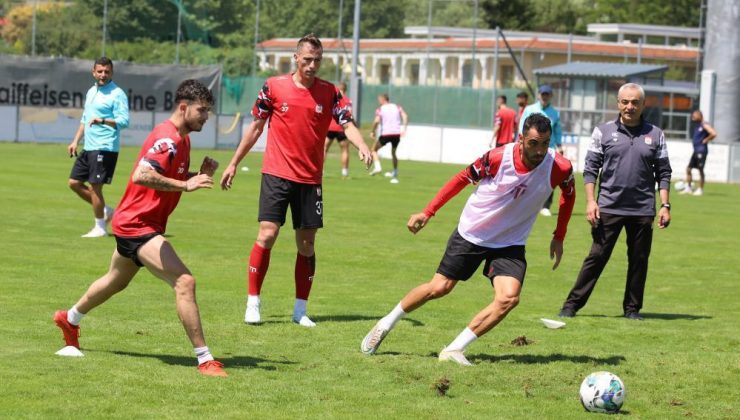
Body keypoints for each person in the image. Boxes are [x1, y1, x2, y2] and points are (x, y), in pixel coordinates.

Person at [361, 114, 575, 365]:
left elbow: (568, 195)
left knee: (508, 298)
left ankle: (454, 349)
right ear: (520, 140)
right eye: (534, 143)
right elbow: (462, 178)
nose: (540, 151)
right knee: (439, 288)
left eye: (545, 144)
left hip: (510, 242)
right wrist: (428, 212)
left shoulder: (560, 167)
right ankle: (386, 323)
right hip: (473, 233)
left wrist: (559, 235)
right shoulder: (497, 158)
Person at [53, 79, 227, 377]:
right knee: (185, 282)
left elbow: (167, 174)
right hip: (138, 225)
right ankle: (205, 359)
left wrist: (198, 174)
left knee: (115, 281)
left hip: (137, 222)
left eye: (208, 111)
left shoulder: (182, 139)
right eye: (202, 110)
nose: (206, 117)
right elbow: (142, 174)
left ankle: (69, 318)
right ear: (184, 107)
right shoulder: (168, 139)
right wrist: (186, 184)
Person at [220, 34, 373, 328]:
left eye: (317, 60)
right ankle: (253, 302)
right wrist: (234, 163)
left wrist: (362, 146)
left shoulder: (331, 92)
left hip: (310, 180)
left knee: (307, 244)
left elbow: (347, 124)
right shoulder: (274, 87)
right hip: (276, 174)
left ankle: (300, 310)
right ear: (296, 57)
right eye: (307, 60)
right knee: (267, 235)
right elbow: (255, 128)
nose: (312, 65)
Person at [558, 83, 672, 321]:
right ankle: (571, 305)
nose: (630, 106)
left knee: (639, 260)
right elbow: (590, 170)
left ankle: (632, 309)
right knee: (596, 257)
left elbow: (664, 172)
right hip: (608, 206)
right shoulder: (603, 132)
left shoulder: (656, 134)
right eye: (625, 101)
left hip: (642, 209)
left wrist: (664, 205)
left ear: (643, 104)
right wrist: (591, 201)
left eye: (635, 102)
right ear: (618, 103)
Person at [67, 57, 130, 238]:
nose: (103, 75)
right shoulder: (91, 91)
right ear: (93, 72)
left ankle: (100, 228)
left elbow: (124, 121)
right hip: (89, 147)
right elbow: (85, 120)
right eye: (100, 71)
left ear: (112, 72)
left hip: (105, 147)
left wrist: (103, 121)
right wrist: (75, 141)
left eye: (107, 72)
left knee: (95, 188)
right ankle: (107, 210)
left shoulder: (117, 94)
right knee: (74, 183)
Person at [519, 84, 562, 217]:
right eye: (543, 94)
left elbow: (557, 131)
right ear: (538, 95)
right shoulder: (529, 109)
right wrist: (520, 143)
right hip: (530, 148)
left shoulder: (555, 113)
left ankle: (546, 206)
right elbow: (522, 128)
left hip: (548, 148)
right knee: (526, 175)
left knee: (548, 176)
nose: (545, 97)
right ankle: (523, 202)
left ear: (551, 96)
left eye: (547, 94)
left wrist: (559, 146)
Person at [368, 94, 408, 184]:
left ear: (382, 100)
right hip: (396, 134)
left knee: (374, 150)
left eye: (379, 100)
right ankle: (395, 171)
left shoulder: (380, 109)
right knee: (394, 153)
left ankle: (378, 167)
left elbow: (376, 121)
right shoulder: (397, 107)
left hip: (386, 134)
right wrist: (404, 129)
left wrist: (372, 131)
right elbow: (405, 116)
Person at [681, 110, 716, 196]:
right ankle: (688, 188)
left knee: (700, 170)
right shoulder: (697, 126)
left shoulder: (704, 124)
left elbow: (713, 133)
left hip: (701, 150)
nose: (693, 117)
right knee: (688, 169)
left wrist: (706, 140)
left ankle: (700, 190)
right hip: (696, 151)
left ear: (700, 116)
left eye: (695, 115)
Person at [324, 82, 352, 178]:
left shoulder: (332, 98)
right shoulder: (348, 101)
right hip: (342, 128)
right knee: (344, 150)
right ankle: (344, 172)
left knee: (324, 149)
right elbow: (349, 114)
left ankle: (320, 171)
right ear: (346, 89)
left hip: (330, 127)